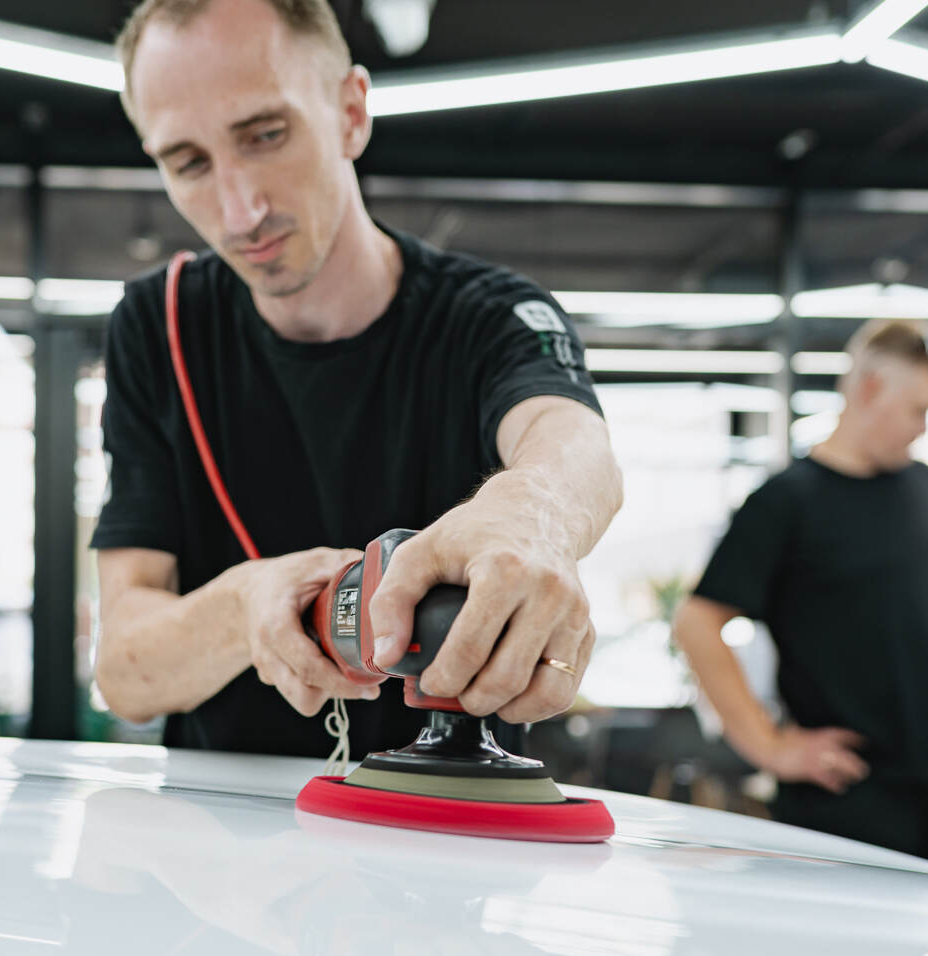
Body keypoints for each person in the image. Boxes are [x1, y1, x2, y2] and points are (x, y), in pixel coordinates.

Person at [90, 0, 621, 760]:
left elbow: (571, 442)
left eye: (265, 135)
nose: (240, 212)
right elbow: (124, 670)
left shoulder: (492, 316)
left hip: (451, 810)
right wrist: (245, 606)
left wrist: (531, 515)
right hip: (224, 818)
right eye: (189, 163)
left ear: (350, 112)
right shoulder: (159, 327)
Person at [673, 319, 928, 884]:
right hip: (851, 791)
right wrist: (770, 748)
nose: (922, 429)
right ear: (868, 390)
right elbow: (697, 622)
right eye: (916, 410)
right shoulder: (787, 501)